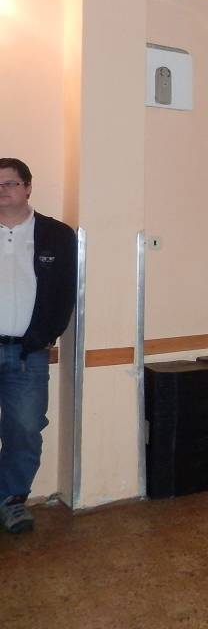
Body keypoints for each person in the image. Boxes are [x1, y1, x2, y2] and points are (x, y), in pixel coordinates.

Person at [0, 158, 76, 534]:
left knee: (25, 429)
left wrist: (46, 335)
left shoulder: (56, 235)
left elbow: (65, 293)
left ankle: (11, 500)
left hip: (27, 355)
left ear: (28, 187)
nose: (3, 191)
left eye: (11, 183)